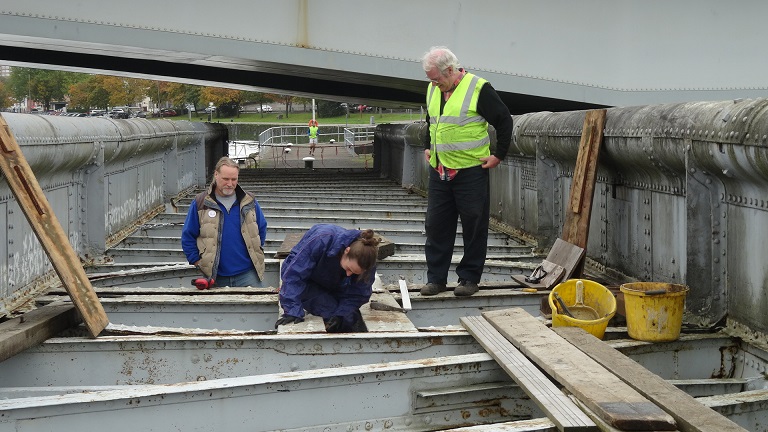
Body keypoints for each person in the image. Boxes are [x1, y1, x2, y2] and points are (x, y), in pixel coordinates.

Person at [419, 46, 513, 297]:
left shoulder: (479, 88)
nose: (434, 83)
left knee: (474, 225)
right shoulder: (433, 88)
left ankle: (469, 278)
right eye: (430, 79)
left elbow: (504, 119)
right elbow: (432, 121)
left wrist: (498, 155)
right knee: (436, 225)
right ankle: (436, 279)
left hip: (471, 170)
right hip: (439, 170)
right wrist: (428, 146)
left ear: (450, 70)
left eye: (436, 78)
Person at [181, 156, 267, 288]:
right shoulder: (201, 202)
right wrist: (197, 261)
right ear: (216, 175)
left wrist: (255, 250)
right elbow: (188, 235)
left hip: (248, 274)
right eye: (226, 179)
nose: (230, 184)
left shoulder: (249, 201)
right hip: (214, 276)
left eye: (234, 179)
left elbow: (261, 228)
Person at [275, 224, 379, 333]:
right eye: (349, 269)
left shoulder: (368, 261)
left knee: (346, 319)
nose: (349, 274)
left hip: (333, 280)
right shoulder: (322, 240)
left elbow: (358, 294)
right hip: (307, 279)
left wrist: (341, 315)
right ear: (346, 251)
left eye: (354, 273)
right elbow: (295, 274)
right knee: (328, 310)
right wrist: (292, 310)